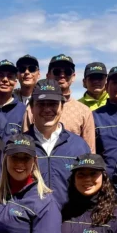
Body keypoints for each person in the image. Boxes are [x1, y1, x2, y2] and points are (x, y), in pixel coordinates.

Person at [24, 79, 91, 209]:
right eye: (41, 104)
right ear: (31, 107)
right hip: (29, 220)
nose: (47, 109)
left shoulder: (79, 146)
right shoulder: (18, 146)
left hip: (69, 220)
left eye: (53, 104)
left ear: (62, 107)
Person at [22, 54, 96, 152]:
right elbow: (24, 143)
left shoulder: (84, 111)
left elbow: (90, 152)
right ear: (48, 75)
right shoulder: (32, 109)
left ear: (73, 76)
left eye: (67, 71)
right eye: (57, 71)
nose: (62, 75)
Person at [0, 59, 26, 138]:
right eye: (0, 75)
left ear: (15, 83)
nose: (5, 79)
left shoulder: (24, 111)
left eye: (10, 76)